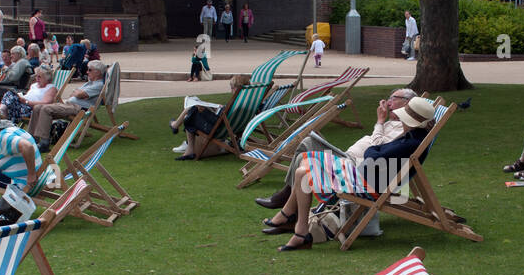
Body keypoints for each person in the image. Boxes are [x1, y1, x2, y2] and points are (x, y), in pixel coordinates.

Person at [266, 96, 438, 250]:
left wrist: (373, 149)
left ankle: (296, 227)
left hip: (365, 185)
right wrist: (374, 150)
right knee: (303, 167)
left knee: (303, 170)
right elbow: (377, 153)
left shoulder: (409, 143)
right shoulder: (413, 137)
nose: (402, 120)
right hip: (364, 177)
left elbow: (373, 154)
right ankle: (299, 229)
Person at [254, 88, 418, 210]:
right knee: (307, 142)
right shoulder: (395, 123)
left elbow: (379, 147)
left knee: (305, 152)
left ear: (407, 103)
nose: (388, 101)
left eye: (393, 98)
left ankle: (287, 202)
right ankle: (288, 200)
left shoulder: (405, 129)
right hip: (347, 157)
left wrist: (380, 121)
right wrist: (383, 122)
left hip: (354, 166)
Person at [169, 73, 250, 158]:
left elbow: (219, 120)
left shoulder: (236, 102)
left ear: (237, 88)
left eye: (232, 88)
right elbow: (225, 115)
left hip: (217, 129)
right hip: (230, 127)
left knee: (192, 111)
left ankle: (179, 132)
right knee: (195, 107)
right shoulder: (246, 101)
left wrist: (207, 110)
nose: (231, 91)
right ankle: (176, 126)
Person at [28, 60, 105, 148]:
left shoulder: (98, 85)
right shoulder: (90, 83)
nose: (87, 72)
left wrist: (78, 93)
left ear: (98, 72)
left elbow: (79, 94)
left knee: (46, 109)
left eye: (89, 70)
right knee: (37, 107)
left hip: (79, 109)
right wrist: (77, 93)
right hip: (69, 105)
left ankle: (44, 143)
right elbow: (75, 92)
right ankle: (32, 138)